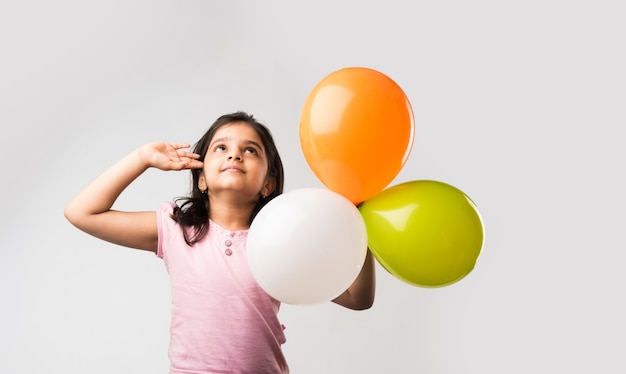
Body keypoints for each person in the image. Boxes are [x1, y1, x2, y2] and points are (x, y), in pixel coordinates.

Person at [64, 111, 376, 374]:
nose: (235, 154)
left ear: (268, 183)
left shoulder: (281, 243)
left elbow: (357, 298)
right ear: (201, 178)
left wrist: (354, 220)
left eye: (251, 150)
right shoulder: (177, 229)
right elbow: (82, 212)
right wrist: (142, 158)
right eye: (221, 147)